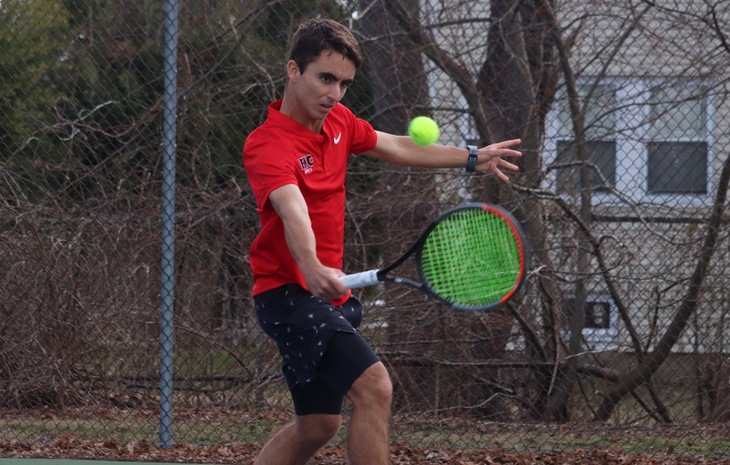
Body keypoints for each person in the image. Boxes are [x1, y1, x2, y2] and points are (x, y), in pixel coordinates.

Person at [242, 18, 522, 465]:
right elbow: (291, 207)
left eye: (345, 84)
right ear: (294, 71)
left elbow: (398, 145)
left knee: (318, 424)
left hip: (327, 294)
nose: (334, 93)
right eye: (325, 78)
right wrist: (312, 267)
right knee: (375, 387)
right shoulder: (267, 144)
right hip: (289, 296)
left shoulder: (339, 123)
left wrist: (471, 157)